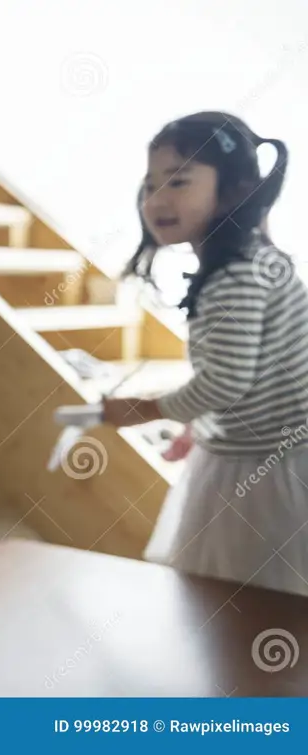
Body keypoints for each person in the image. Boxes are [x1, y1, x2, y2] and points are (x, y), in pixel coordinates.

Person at [101, 111, 308, 597]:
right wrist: (200, 425)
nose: (158, 199)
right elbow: (250, 372)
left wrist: (142, 410)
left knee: (241, 601)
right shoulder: (256, 261)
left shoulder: (233, 277)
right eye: (151, 184)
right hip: (267, 450)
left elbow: (225, 383)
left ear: (234, 191)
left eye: (179, 182)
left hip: (266, 469)